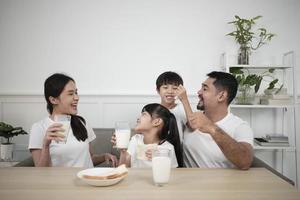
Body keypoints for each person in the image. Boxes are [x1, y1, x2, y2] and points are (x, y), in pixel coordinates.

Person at [28, 73, 118, 167]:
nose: (77, 98)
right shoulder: (39, 128)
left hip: (87, 179)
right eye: (71, 94)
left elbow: (88, 159)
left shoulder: (81, 122)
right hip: (60, 181)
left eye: (76, 92)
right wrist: (46, 145)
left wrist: (104, 156)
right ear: (53, 100)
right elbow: (40, 172)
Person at [176, 71, 253, 169]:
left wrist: (211, 128)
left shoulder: (240, 127)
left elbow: (245, 162)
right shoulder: (192, 119)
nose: (199, 92)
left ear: (221, 96)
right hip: (189, 182)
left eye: (204, 89)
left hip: (222, 184)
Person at [111, 103, 183, 168]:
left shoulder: (167, 148)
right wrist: (123, 150)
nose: (138, 118)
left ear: (156, 122)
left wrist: (160, 159)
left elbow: (173, 173)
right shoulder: (136, 140)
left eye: (143, 114)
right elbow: (123, 168)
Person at [156, 71, 187, 143]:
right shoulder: (154, 110)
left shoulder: (182, 109)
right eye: (165, 87)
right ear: (158, 90)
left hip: (178, 150)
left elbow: (192, 126)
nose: (170, 91)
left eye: (175, 88)